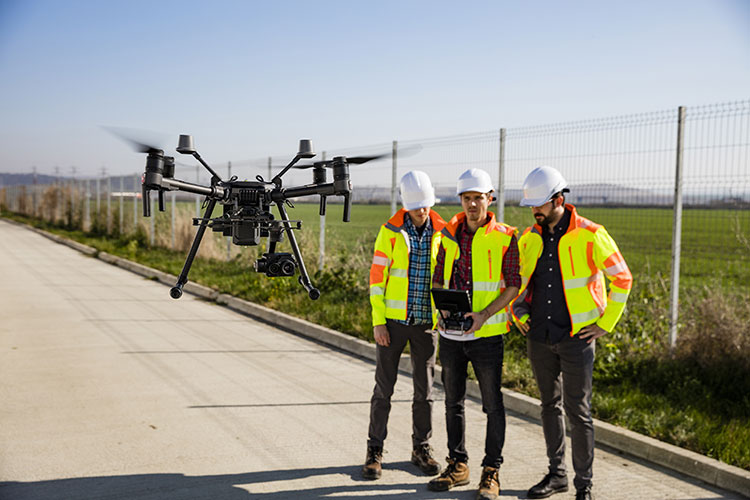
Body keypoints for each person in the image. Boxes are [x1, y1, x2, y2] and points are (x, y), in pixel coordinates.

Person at [511, 166, 633, 500]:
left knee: (579, 413)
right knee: (548, 406)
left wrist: (605, 323)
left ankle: (584, 486)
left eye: (540, 204)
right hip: (538, 335)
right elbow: (517, 282)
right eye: (531, 205)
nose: (534, 210)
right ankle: (557, 475)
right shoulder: (529, 237)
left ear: (558, 199)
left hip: (577, 339)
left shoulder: (591, 234)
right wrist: (516, 310)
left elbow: (623, 278)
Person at [427, 168, 520, 500]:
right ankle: (458, 464)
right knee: (453, 402)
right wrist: (443, 308)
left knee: (493, 406)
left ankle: (491, 471)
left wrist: (484, 315)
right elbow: (438, 279)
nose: (471, 205)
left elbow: (513, 286)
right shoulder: (448, 235)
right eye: (466, 198)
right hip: (452, 336)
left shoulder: (506, 236)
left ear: (489, 199)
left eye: (477, 198)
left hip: (487, 336)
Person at [363, 170, 447, 480]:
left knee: (424, 392)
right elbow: (376, 279)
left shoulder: (444, 231)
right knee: (384, 390)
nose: (422, 212)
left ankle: (421, 449)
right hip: (393, 325)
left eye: (425, 206)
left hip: (427, 324)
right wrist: (378, 321)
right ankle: (374, 451)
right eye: (416, 207)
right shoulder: (390, 231)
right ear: (405, 205)